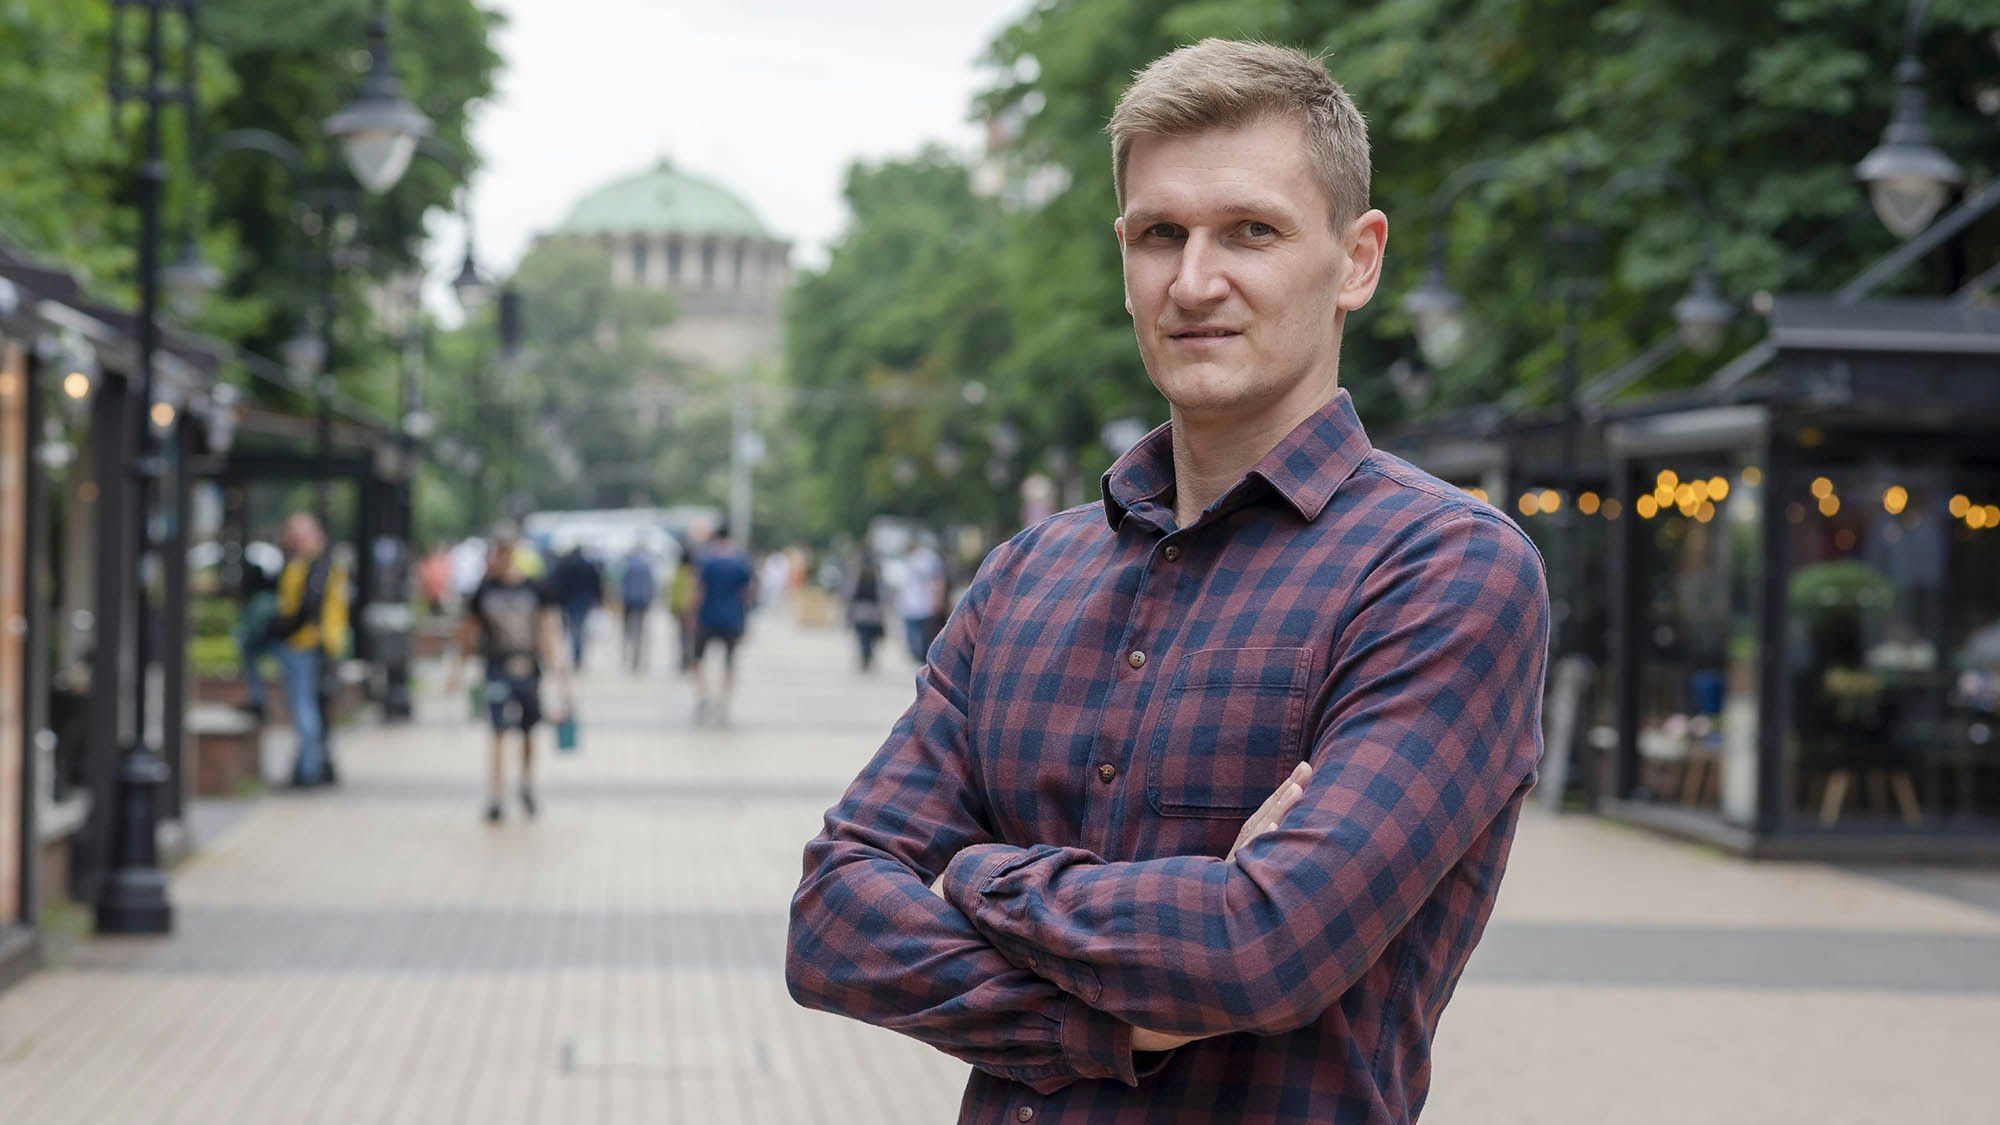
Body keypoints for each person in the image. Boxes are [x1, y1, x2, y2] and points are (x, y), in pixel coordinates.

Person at [786, 40, 1550, 1123]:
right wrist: (1112, 1015)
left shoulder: (1441, 571)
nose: (1194, 282)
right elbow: (830, 921)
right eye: (1159, 235)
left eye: (1250, 230)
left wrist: (974, 876)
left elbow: (1264, 950)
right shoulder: (1025, 576)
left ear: (1356, 260)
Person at [448, 530, 571, 823]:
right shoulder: (485, 590)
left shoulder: (535, 589)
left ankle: (526, 784)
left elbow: (546, 631)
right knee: (499, 731)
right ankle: (496, 793)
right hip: (496, 668)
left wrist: (558, 671)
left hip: (528, 667)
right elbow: (469, 631)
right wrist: (458, 668)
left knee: (528, 730)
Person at [269, 512, 350, 788]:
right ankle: (312, 765)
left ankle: (309, 769)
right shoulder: (308, 562)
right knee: (314, 708)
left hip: (306, 644)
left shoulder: (318, 565)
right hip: (314, 644)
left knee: (305, 708)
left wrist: (280, 629)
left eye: (297, 535)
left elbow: (306, 607)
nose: (292, 541)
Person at [689, 525, 756, 726]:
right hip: (732, 618)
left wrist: (691, 614)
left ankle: (705, 694)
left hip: (707, 617)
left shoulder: (706, 561)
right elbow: (750, 591)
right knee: (730, 662)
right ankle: (723, 700)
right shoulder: (741, 562)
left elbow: (698, 590)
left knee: (697, 660)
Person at [548, 541, 603, 672]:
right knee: (579, 629)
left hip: (567, 601)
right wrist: (597, 599)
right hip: (583, 601)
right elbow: (596, 583)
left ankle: (573, 653)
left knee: (570, 629)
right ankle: (577, 655)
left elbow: (556, 583)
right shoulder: (588, 565)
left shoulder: (565, 565)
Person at [895, 537, 945, 664]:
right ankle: (919, 660)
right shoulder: (905, 561)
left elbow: (937, 580)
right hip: (908, 606)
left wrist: (938, 600)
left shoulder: (929, 559)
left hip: (925, 605)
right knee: (911, 639)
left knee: (924, 638)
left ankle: (924, 661)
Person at [844, 549, 886, 673]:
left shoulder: (855, 573)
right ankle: (867, 654)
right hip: (873, 612)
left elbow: (849, 593)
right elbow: (884, 594)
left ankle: (865, 655)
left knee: (862, 636)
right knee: (870, 636)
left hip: (860, 611)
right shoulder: (877, 574)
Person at [618, 546, 658, 673]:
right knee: (640, 630)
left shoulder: (628, 566)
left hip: (629, 601)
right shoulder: (647, 566)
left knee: (628, 629)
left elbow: (623, 584)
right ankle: (638, 656)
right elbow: (651, 585)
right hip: (642, 601)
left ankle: (628, 654)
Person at [668, 552, 699, 674]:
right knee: (690, 637)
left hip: (680, 610)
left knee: (682, 637)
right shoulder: (693, 574)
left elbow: (672, 592)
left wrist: (673, 608)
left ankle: (684, 660)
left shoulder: (677, 572)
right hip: (690, 610)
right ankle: (689, 660)